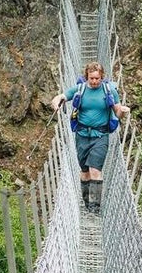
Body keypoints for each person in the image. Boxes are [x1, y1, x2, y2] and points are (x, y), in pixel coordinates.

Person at [52, 63, 129, 213]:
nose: (94, 81)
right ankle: (87, 203)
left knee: (95, 170)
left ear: (102, 77)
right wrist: (56, 102)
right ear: (86, 76)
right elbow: (62, 96)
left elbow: (117, 112)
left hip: (100, 136)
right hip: (82, 135)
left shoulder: (109, 90)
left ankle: (95, 207)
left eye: (97, 78)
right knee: (85, 171)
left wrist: (122, 112)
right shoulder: (80, 89)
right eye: (92, 78)